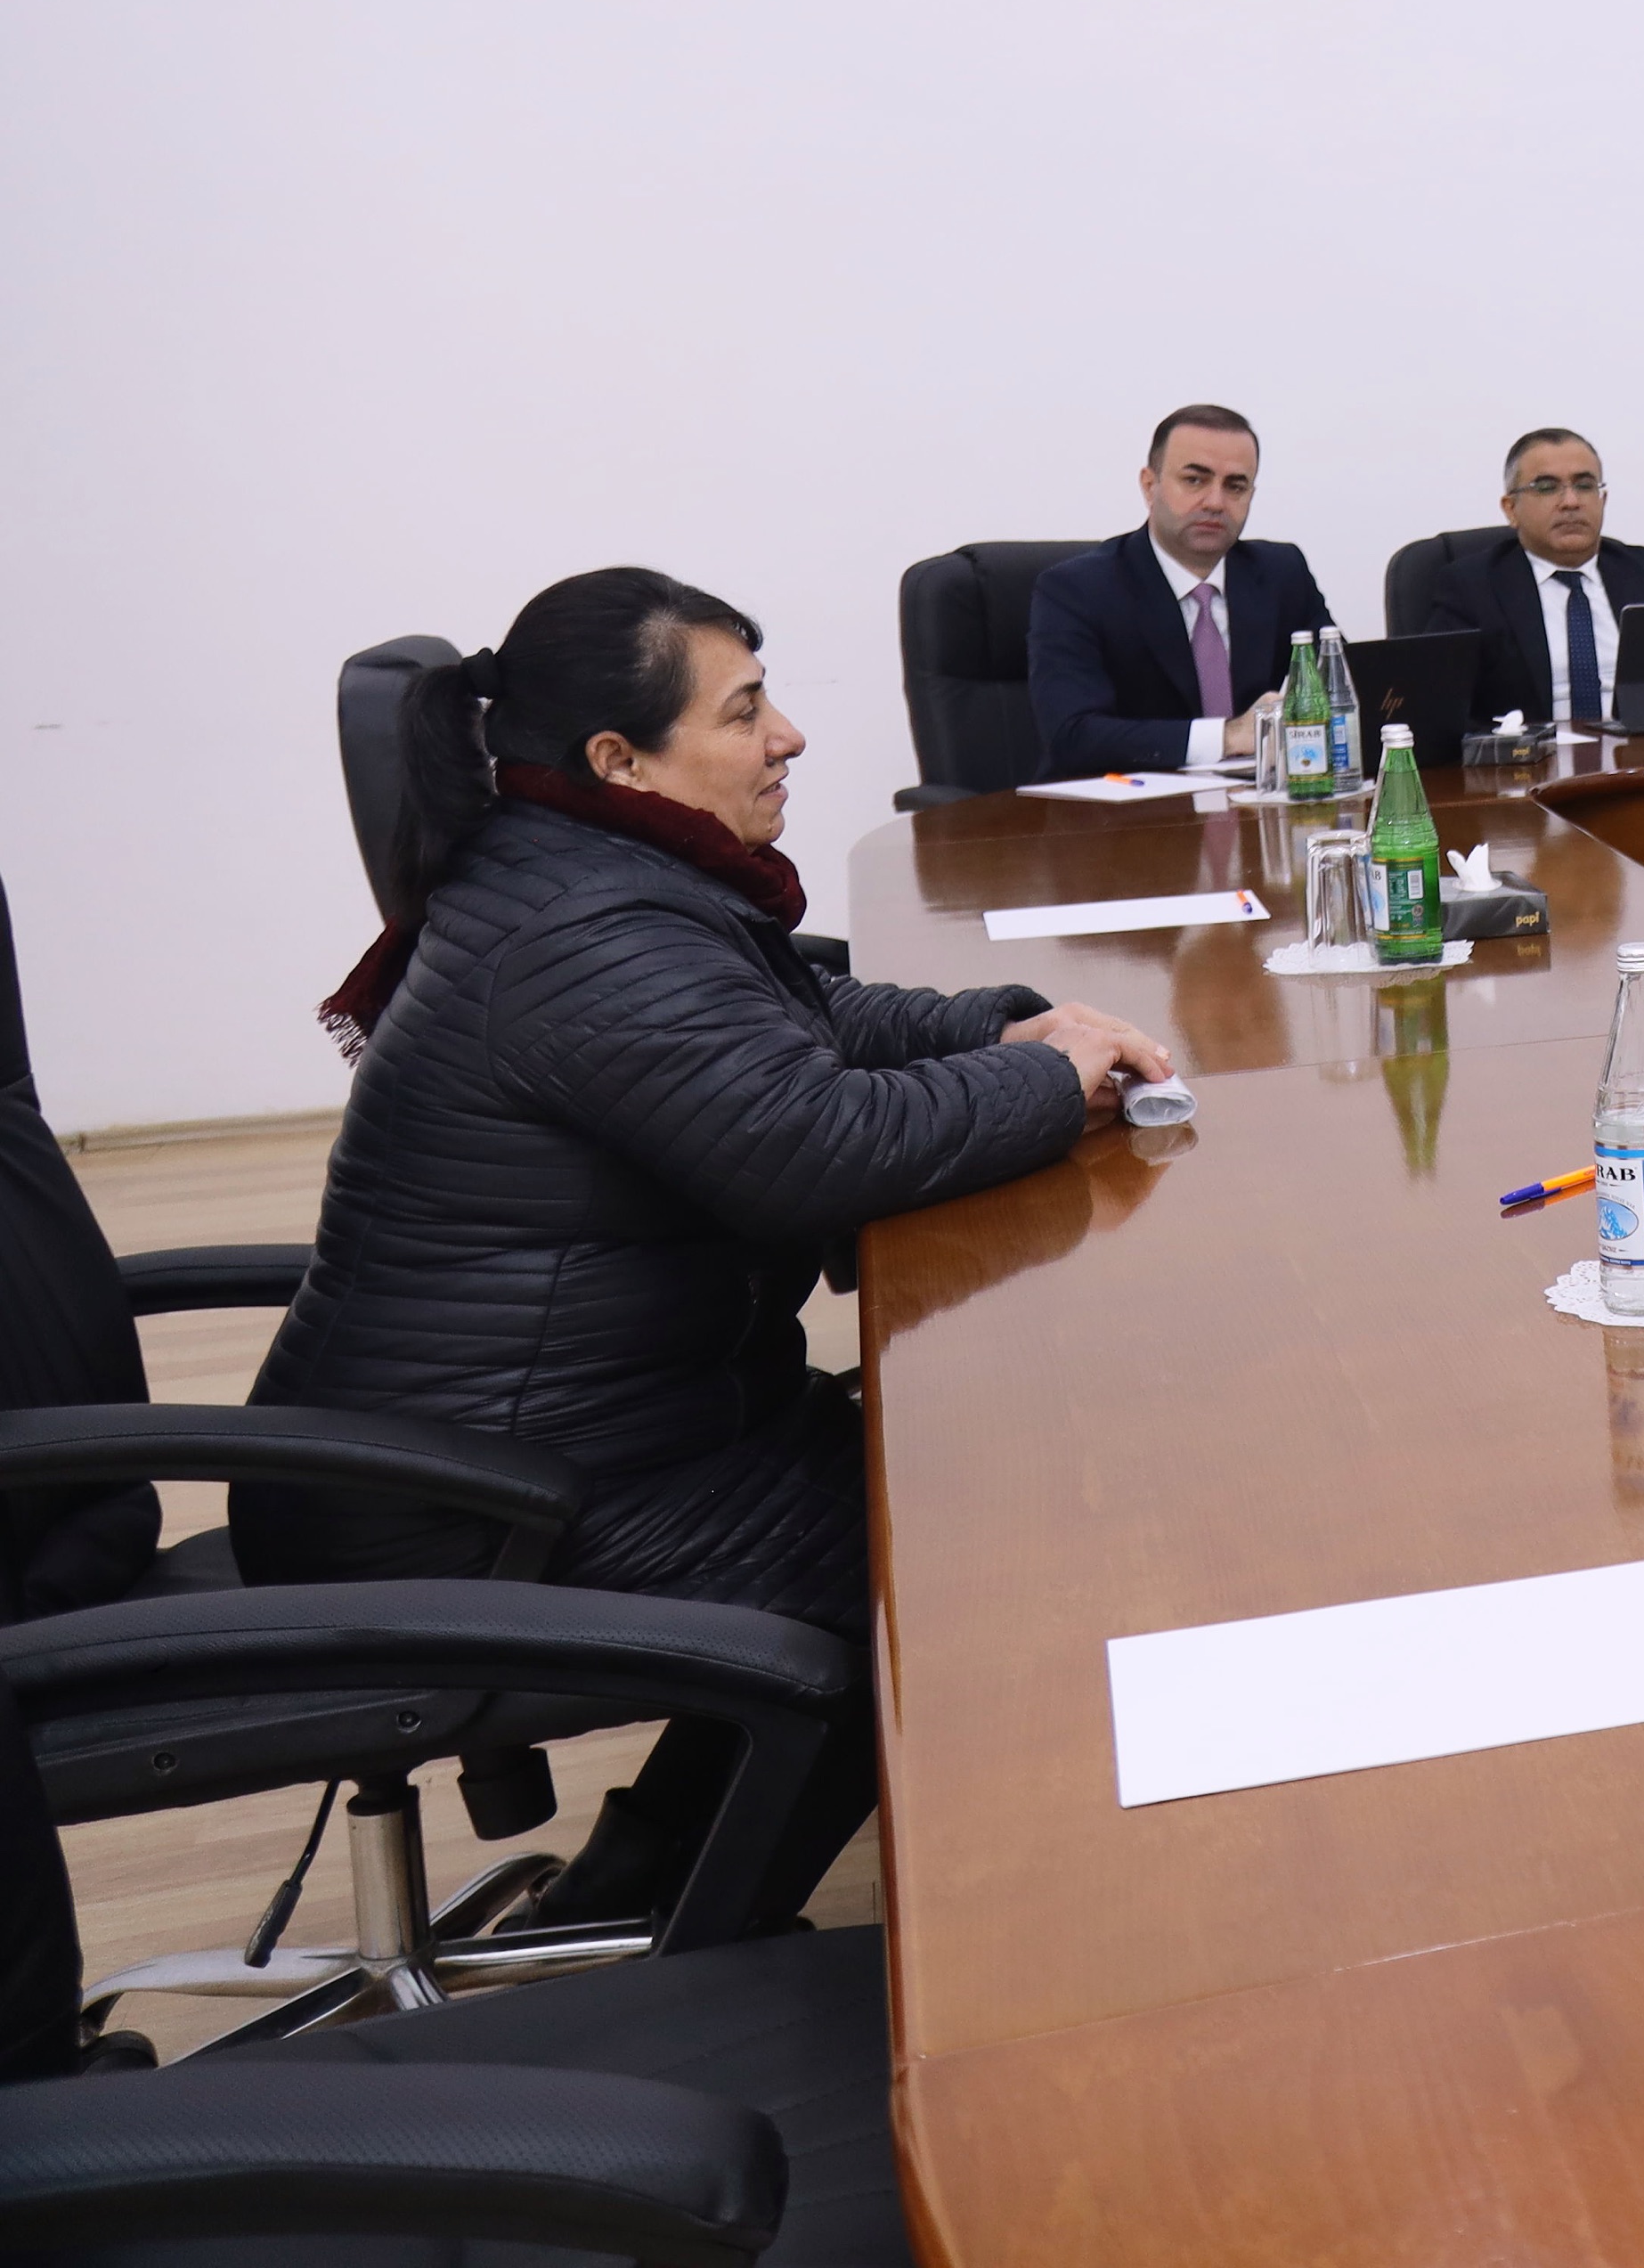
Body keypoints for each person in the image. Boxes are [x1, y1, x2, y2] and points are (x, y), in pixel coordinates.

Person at [253, 569, 1172, 1925]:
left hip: (550, 1438)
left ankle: (642, 1886)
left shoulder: (579, 863)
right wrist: (1048, 1083)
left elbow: (798, 1018)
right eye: (744, 713)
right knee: (957, 1558)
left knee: (962, 1479)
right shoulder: (584, 932)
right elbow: (815, 1145)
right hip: (472, 1507)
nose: (787, 736)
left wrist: (1006, 1030)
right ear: (619, 759)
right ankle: (706, 1944)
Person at [1026, 403, 1339, 775]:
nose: (1215, 502)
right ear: (1150, 486)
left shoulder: (1281, 573)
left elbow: (1342, 687)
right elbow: (1073, 736)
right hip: (1131, 805)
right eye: (1194, 480)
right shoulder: (1077, 590)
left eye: (1235, 486)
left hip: (1257, 800)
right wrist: (1228, 736)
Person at [1407, 427, 1644, 730]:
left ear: (1602, 500)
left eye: (1584, 485)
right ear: (1511, 509)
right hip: (1529, 756)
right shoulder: (1470, 587)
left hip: (1635, 752)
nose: (1571, 502)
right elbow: (1438, 707)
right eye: (1546, 487)